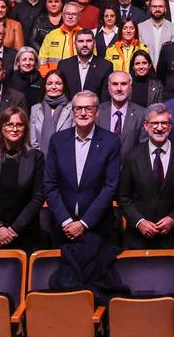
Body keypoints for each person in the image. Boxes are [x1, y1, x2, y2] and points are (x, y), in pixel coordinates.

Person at [42, 91, 121, 245]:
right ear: (72, 112)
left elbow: (110, 187)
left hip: (97, 229)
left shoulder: (111, 141)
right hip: (62, 228)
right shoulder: (57, 141)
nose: (83, 113)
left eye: (88, 108)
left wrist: (84, 223)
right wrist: (66, 222)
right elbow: (50, 185)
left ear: (97, 112)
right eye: (78, 108)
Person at [0, 107, 46, 251]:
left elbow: (38, 197)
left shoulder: (36, 157)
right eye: (9, 124)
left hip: (25, 234)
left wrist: (12, 231)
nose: (14, 129)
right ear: (1, 127)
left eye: (19, 125)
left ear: (25, 129)